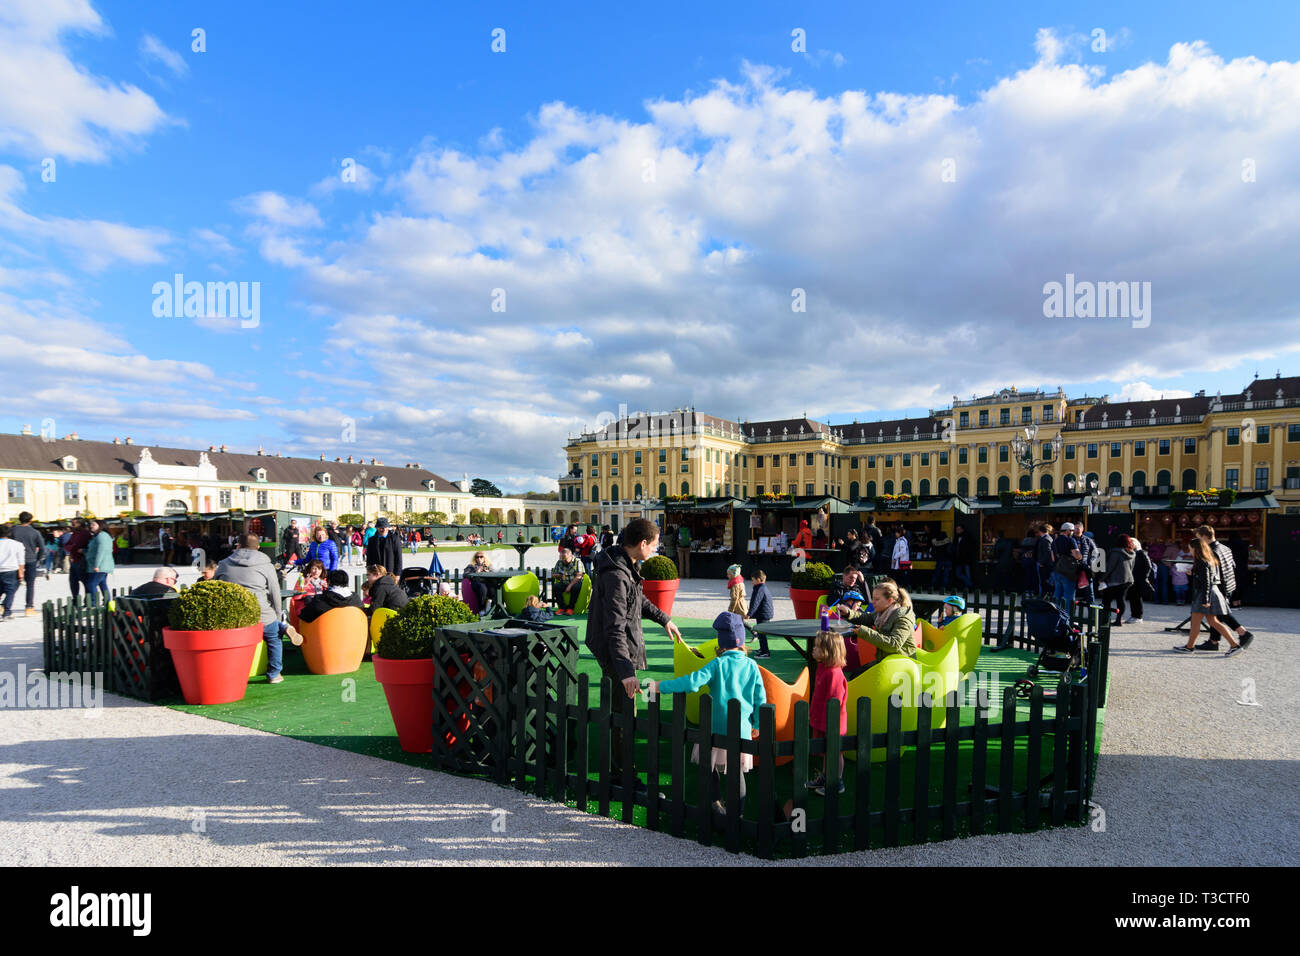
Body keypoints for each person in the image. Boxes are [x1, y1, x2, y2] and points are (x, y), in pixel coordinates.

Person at [585, 517, 683, 779]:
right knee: (625, 712)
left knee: (622, 709)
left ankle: (621, 767)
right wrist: (626, 670)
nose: (655, 549)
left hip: (618, 649)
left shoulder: (624, 564)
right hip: (614, 651)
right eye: (654, 545)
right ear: (642, 543)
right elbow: (614, 628)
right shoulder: (617, 575)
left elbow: (638, 600)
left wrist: (665, 619)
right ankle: (623, 773)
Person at [649, 612, 763, 817]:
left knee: (708, 768)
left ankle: (715, 804)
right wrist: (756, 724)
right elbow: (760, 700)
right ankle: (736, 815)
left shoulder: (717, 664)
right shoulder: (752, 666)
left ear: (721, 641)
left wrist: (661, 686)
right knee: (736, 774)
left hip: (715, 728)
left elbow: (691, 682)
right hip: (741, 730)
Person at [216, 534, 286, 683]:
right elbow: (275, 593)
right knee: (274, 638)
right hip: (262, 615)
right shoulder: (266, 564)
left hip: (234, 616)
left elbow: (215, 588)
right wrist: (277, 615)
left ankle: (233, 674)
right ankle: (274, 674)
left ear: (238, 546)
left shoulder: (224, 563)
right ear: (258, 547)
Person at [1189, 526, 1254, 652]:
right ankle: (1214, 642)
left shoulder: (1210, 550)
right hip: (1228, 583)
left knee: (1220, 615)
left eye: (1198, 537)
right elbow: (1232, 565)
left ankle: (1242, 633)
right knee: (1215, 616)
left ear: (1203, 536)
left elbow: (1211, 572)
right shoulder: (1225, 547)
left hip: (1219, 586)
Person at [1174, 539, 1242, 654]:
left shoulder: (1201, 561)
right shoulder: (1210, 559)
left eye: (1191, 548)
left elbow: (1207, 581)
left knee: (1197, 622)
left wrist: (1205, 599)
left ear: (1196, 548)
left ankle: (1190, 647)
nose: (1189, 550)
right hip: (1212, 592)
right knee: (1213, 621)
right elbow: (1209, 578)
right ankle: (1234, 645)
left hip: (1205, 593)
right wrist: (1194, 574)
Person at [844, 579, 917, 677]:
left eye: (877, 599)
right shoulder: (883, 612)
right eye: (873, 598)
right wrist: (848, 613)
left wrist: (865, 632)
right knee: (856, 674)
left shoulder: (903, 617)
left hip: (902, 665)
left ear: (890, 600)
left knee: (859, 676)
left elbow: (894, 644)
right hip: (886, 660)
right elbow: (866, 617)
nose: (872, 602)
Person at [806, 628, 848, 796]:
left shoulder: (834, 674)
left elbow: (834, 702)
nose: (813, 649)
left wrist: (825, 722)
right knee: (826, 751)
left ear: (828, 652)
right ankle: (825, 777)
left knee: (834, 753)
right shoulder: (823, 668)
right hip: (823, 720)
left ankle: (837, 782)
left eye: (817, 647)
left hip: (832, 722)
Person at [299, 569, 364, 623]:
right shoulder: (356, 599)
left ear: (329, 582)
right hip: (354, 635)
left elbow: (304, 616)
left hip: (324, 636)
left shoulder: (321, 600)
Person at [12, 512, 44, 617]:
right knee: (30, 584)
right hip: (30, 559)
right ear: (30, 520)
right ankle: (29, 607)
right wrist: (38, 559)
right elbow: (42, 548)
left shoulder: (13, 530)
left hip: (15, 560)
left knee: (13, 582)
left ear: (19, 519)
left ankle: (3, 605)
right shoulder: (35, 532)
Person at [1101, 535, 1135, 627]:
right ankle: (1119, 620)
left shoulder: (1115, 552)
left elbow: (1109, 567)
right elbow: (1132, 567)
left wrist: (1102, 579)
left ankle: (1105, 619)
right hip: (1127, 579)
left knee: (1106, 600)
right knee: (1121, 600)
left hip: (1114, 580)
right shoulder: (1132, 553)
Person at [1049, 521, 1083, 609]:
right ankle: (1068, 619)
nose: (1073, 533)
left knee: (1057, 595)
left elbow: (1052, 558)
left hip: (1057, 570)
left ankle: (1055, 615)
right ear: (1067, 530)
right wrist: (1080, 556)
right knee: (1069, 597)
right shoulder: (1071, 540)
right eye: (1072, 531)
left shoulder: (1054, 541)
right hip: (1068, 572)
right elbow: (1077, 555)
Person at [84, 520, 114, 607]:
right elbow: (93, 550)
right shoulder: (97, 536)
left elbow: (101, 551)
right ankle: (107, 602)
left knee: (91, 584)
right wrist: (84, 551)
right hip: (98, 565)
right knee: (102, 584)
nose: (91, 526)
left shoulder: (102, 535)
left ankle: (94, 603)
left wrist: (97, 565)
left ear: (100, 525)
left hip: (101, 566)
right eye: (90, 524)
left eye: (93, 524)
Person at [745, 570, 774, 659]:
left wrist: (749, 614)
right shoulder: (761, 587)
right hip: (763, 613)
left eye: (753, 580)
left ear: (758, 580)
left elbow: (755, 602)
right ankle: (763, 649)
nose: (752, 582)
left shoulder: (760, 589)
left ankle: (765, 652)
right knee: (761, 633)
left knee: (762, 633)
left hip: (763, 614)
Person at [0, 525, 25, 621]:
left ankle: (5, 610)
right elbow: (21, 561)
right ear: (9, 533)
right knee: (10, 592)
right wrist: (21, 573)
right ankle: (6, 612)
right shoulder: (17, 544)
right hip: (11, 570)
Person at [551, 546, 586, 614]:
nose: (564, 561)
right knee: (556, 587)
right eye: (562, 559)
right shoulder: (560, 562)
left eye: (565, 559)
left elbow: (579, 576)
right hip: (564, 582)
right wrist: (559, 575)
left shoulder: (577, 562)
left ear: (571, 556)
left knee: (575, 588)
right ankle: (562, 607)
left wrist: (569, 586)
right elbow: (553, 574)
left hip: (575, 582)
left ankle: (570, 608)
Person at [1127, 538, 1153, 623]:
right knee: (1132, 597)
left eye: (1132, 542)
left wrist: (1144, 576)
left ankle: (1138, 616)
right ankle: (1133, 615)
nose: (1130, 544)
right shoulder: (1130, 553)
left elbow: (1148, 566)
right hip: (1132, 579)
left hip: (1139, 579)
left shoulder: (1141, 553)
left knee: (1137, 598)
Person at [1072, 524, 1098, 605]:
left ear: (1082, 529)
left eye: (1078, 528)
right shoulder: (1070, 539)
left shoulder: (1088, 540)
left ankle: (1092, 613)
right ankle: (1071, 613)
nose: (1076, 530)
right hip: (1072, 569)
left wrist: (1090, 562)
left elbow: (1096, 552)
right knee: (1071, 592)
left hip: (1085, 568)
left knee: (1089, 592)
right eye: (1074, 528)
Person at [1033, 523, 1055, 595]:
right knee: (1044, 582)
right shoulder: (1047, 538)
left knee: (1043, 582)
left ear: (1040, 531)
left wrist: (1041, 562)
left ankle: (1043, 596)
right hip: (1045, 564)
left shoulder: (1045, 539)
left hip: (1044, 565)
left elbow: (1048, 553)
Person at [952, 524, 974, 589]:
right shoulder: (956, 537)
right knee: (958, 574)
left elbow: (970, 548)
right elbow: (954, 547)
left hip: (966, 558)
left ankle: (967, 588)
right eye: (956, 529)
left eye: (958, 529)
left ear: (962, 529)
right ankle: (970, 585)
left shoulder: (967, 537)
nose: (957, 531)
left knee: (967, 574)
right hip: (958, 559)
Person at [930, 527, 952, 592]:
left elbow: (932, 552)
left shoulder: (936, 542)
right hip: (947, 560)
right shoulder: (948, 542)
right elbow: (951, 551)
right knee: (946, 575)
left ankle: (932, 586)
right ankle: (944, 588)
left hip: (940, 560)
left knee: (936, 574)